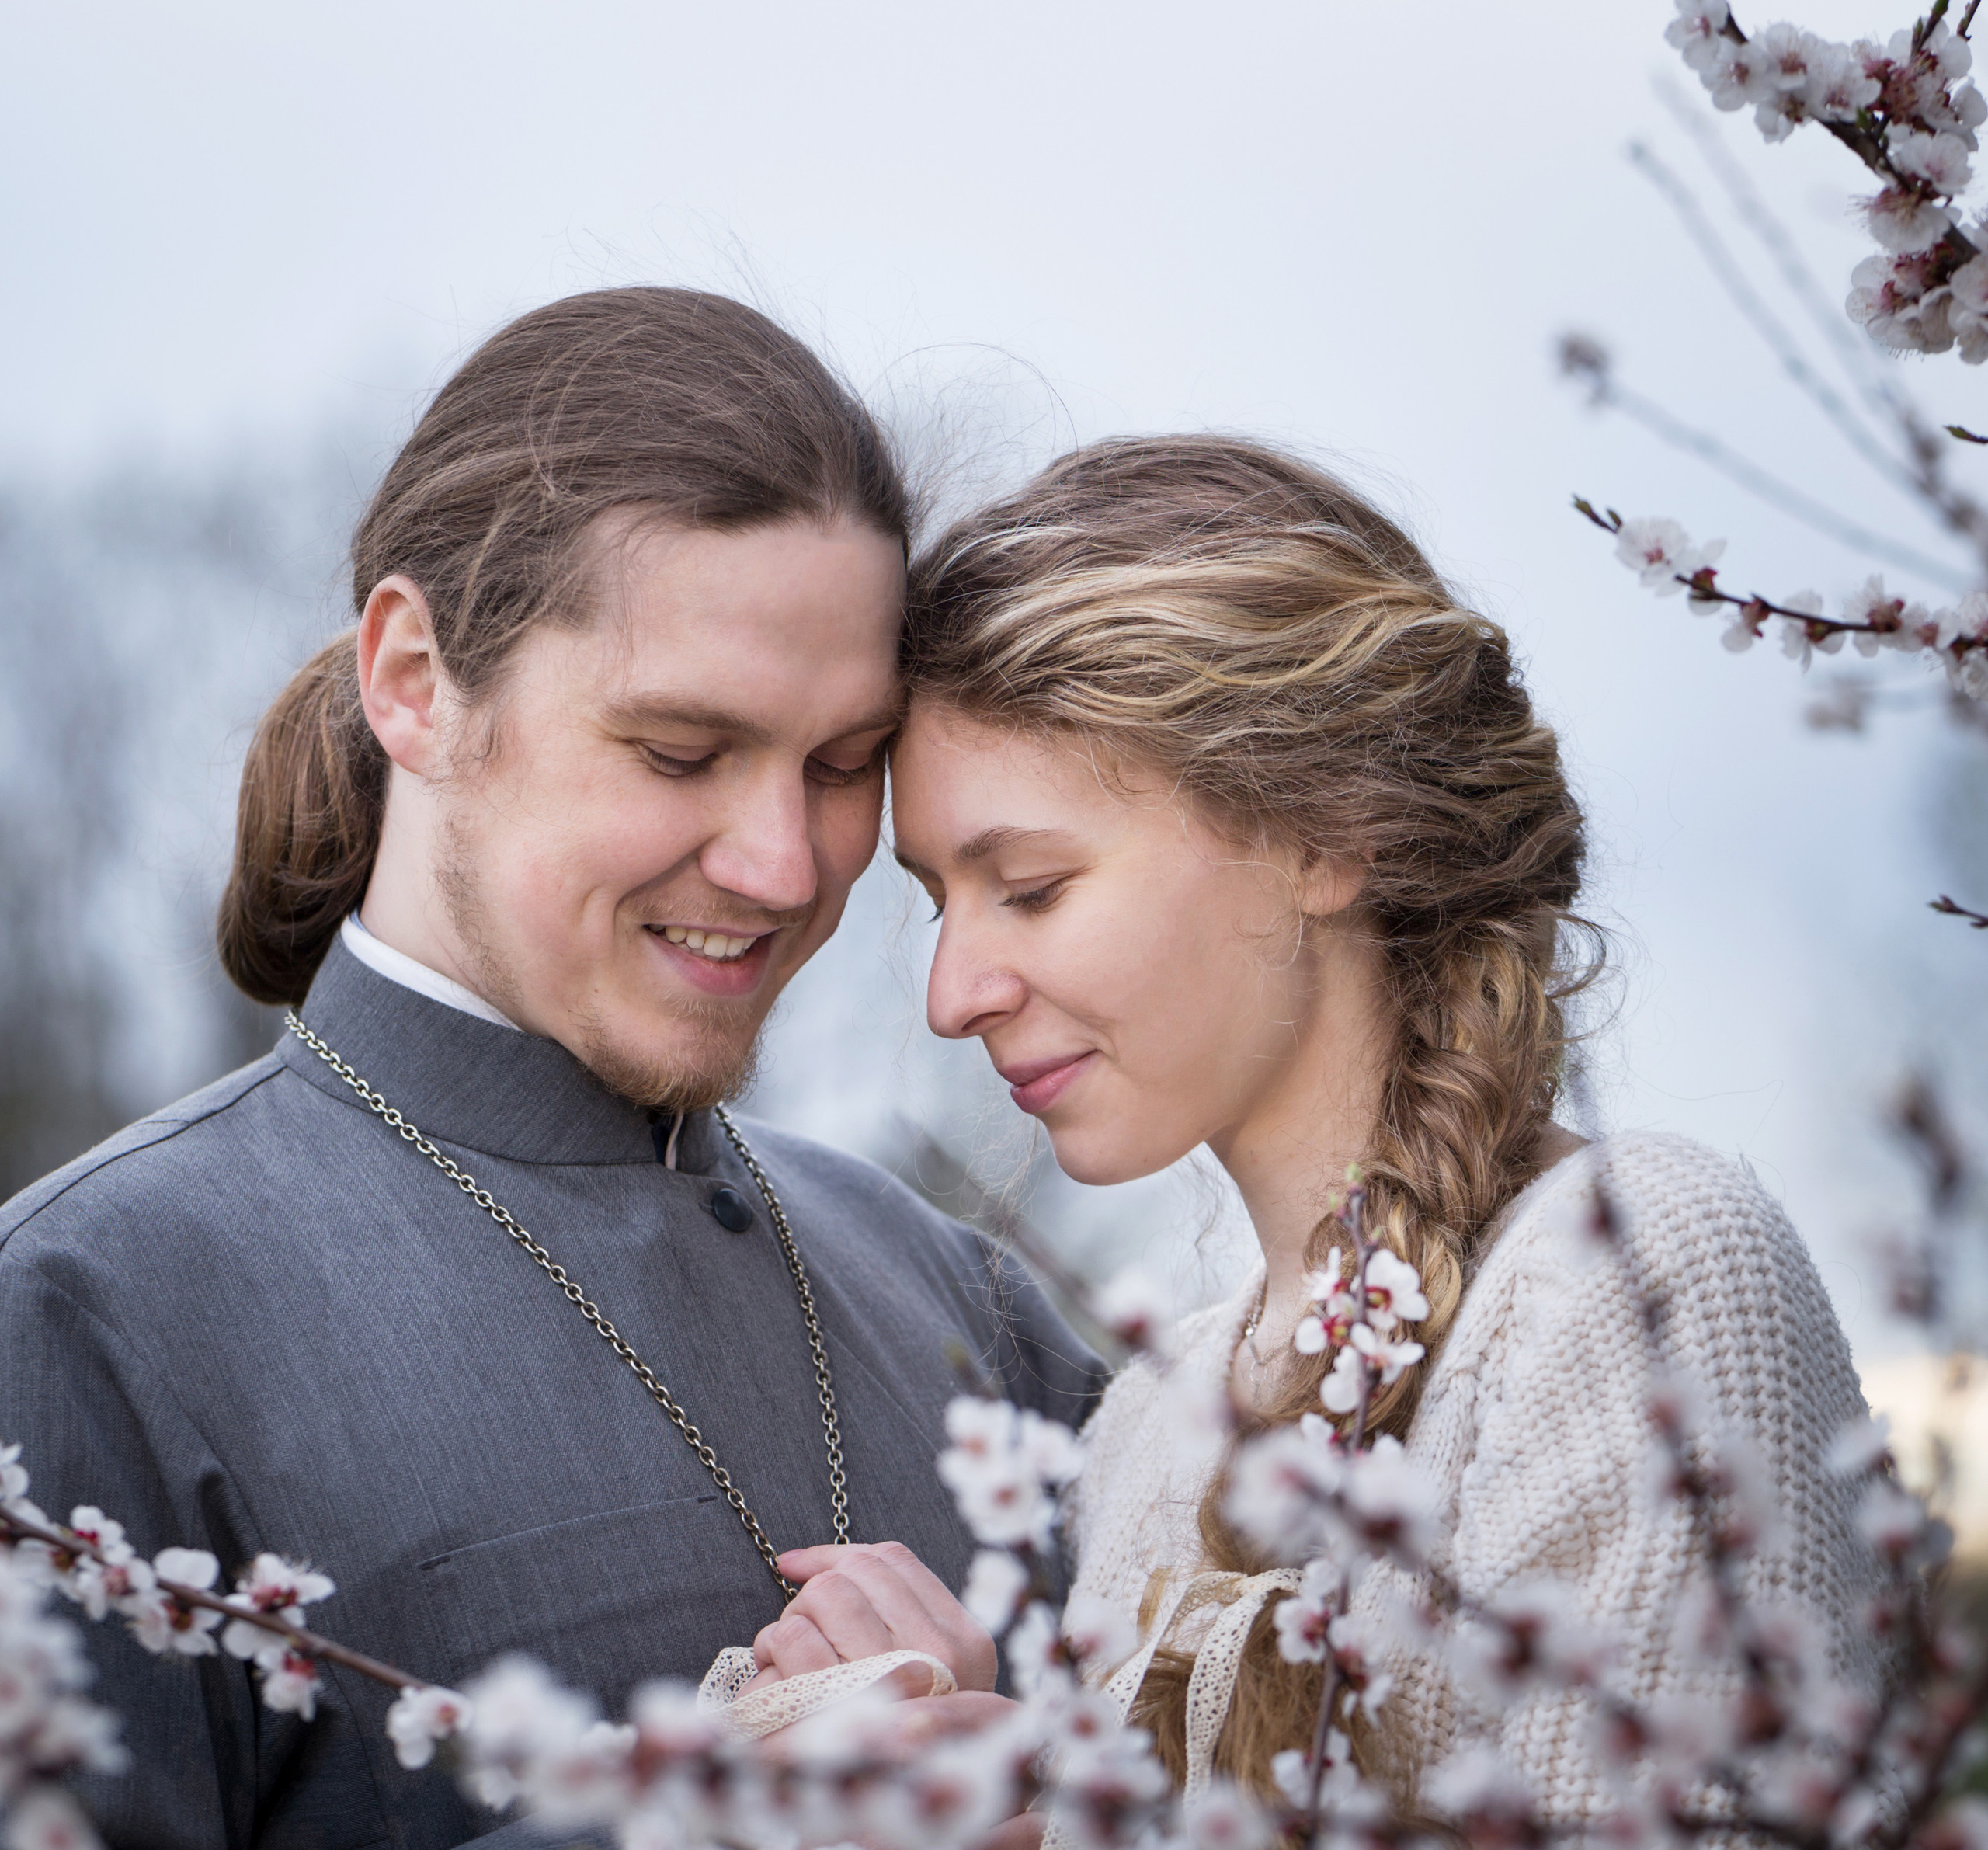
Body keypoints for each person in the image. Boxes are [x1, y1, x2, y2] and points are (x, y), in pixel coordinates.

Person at [0, 288, 1103, 1850]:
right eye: (677, 749)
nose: (784, 862)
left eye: (842, 763)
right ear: (414, 680)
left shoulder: (965, 1309)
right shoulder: (80, 1311)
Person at [741, 434, 1882, 1827]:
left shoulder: (1633, 1283)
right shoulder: (1145, 1435)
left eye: (1029, 888)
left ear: (1322, 835)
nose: (950, 996)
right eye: (937, 901)